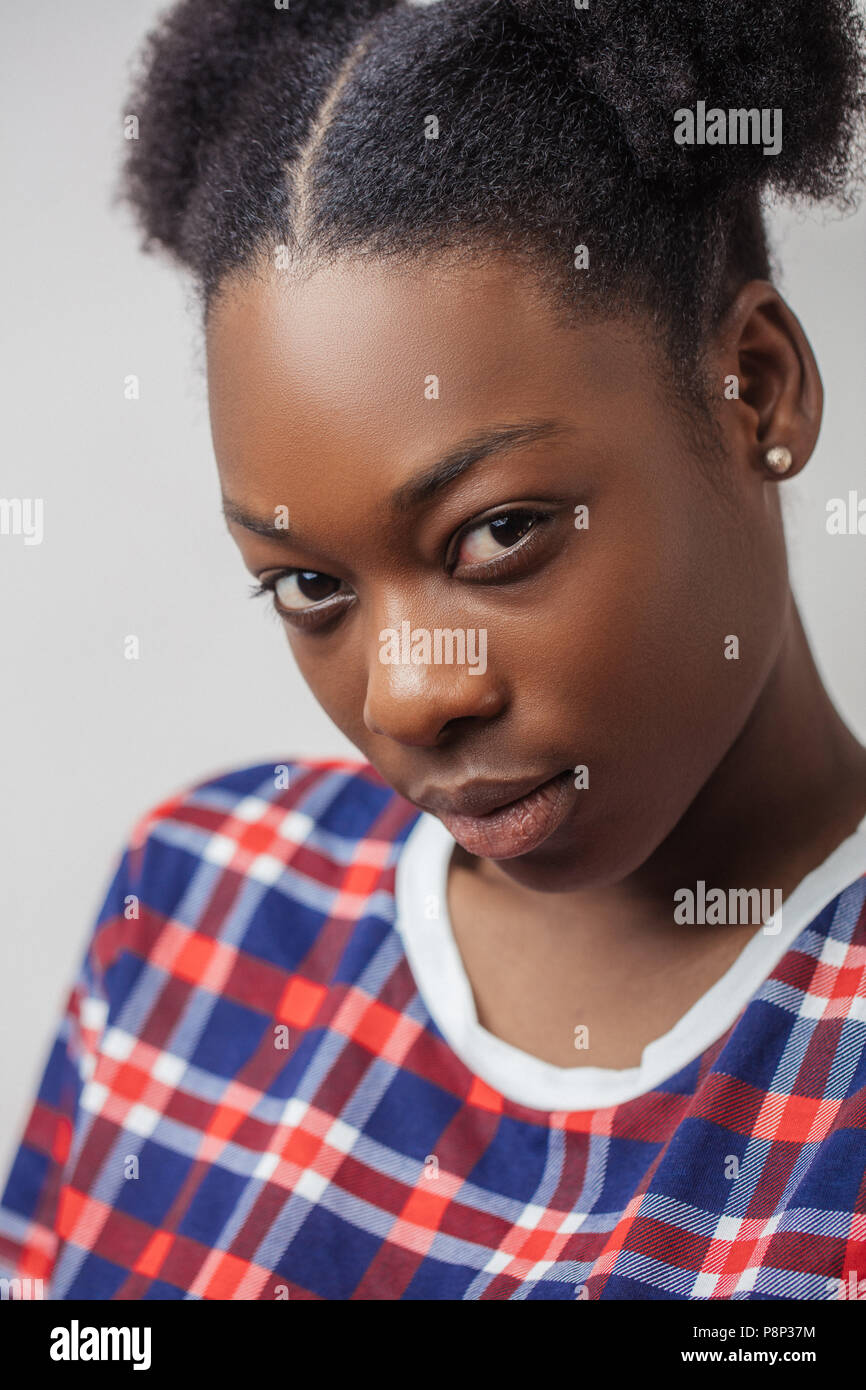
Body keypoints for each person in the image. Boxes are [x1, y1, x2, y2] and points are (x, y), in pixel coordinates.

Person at [2, 0, 865, 1301]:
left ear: (752, 386)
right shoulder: (194, 909)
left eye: (499, 532)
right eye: (306, 584)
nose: (408, 694)